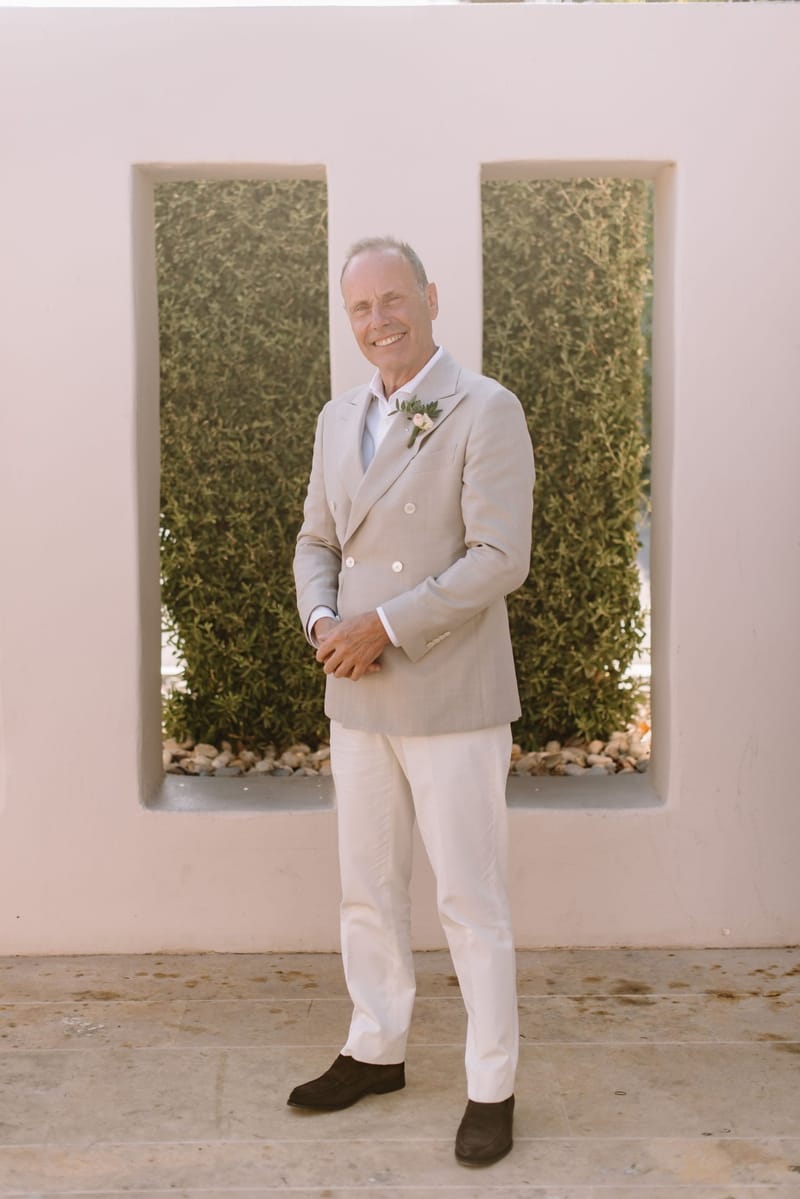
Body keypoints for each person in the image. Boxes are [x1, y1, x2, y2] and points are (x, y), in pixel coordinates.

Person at [291, 236, 535, 1167]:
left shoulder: (484, 408)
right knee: (369, 888)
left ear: (430, 299)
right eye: (360, 308)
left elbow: (498, 556)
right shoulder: (335, 416)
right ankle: (376, 1046)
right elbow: (316, 537)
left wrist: (381, 625)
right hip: (353, 690)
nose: (379, 320)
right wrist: (323, 620)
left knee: (470, 900)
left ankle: (491, 1083)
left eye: (394, 299)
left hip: (450, 694)